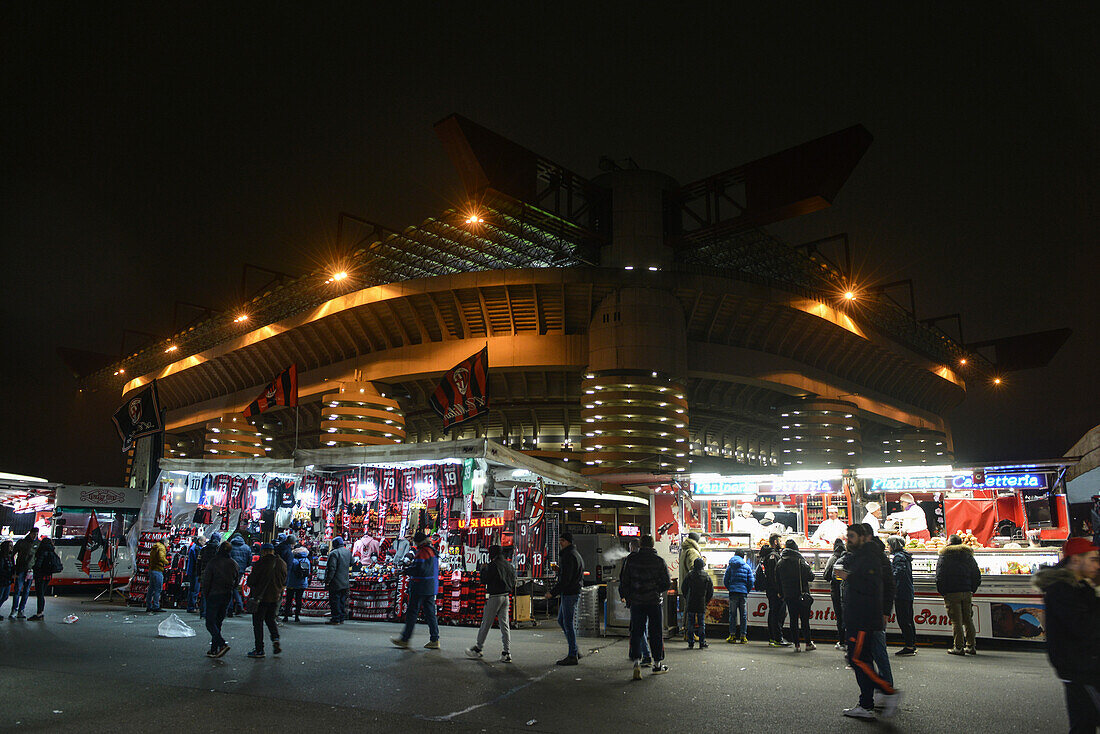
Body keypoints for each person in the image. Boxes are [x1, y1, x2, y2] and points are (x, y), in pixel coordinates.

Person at [1032, 537, 1100, 732]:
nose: (1097, 565)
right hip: (1080, 669)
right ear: (1077, 560)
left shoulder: (1081, 587)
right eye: (1093, 559)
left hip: (1085, 667)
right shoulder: (1062, 591)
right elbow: (1084, 627)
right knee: (1084, 722)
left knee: (1083, 724)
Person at [837, 523, 901, 721]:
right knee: (859, 658)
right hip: (860, 616)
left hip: (863, 617)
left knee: (858, 659)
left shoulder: (870, 556)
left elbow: (873, 585)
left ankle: (886, 692)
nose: (849, 540)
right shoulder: (864, 555)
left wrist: (848, 576)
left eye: (852, 536)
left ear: (864, 537)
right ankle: (867, 702)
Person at [620, 534, 671, 677]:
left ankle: (637, 663)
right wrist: (655, 590)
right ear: (653, 545)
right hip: (653, 602)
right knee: (656, 632)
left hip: (636, 602)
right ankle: (657, 664)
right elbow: (667, 582)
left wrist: (629, 596)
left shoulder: (631, 560)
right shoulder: (659, 561)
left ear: (640, 545)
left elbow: (624, 581)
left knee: (636, 632)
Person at [466, 544, 516, 662]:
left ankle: (478, 648)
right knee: (505, 625)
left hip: (495, 596)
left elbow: (484, 580)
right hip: (506, 596)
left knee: (486, 623)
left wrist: (483, 569)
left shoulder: (493, 565)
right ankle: (506, 652)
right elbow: (513, 580)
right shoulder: (508, 564)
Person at [392, 531, 440, 649]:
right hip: (430, 586)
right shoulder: (432, 550)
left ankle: (405, 639)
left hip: (420, 586)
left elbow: (419, 568)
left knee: (412, 612)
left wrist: (406, 571)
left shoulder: (422, 551)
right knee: (430, 614)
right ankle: (435, 639)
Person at [936, 534, 981, 655]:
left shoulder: (944, 556)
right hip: (966, 592)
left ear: (949, 543)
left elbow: (940, 575)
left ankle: (958, 647)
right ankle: (971, 646)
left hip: (951, 592)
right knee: (968, 619)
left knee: (956, 621)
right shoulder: (968, 555)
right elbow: (976, 574)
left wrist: (942, 591)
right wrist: (972, 589)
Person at [544, 531, 585, 665]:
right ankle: (574, 649)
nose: (560, 543)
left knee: (567, 623)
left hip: (569, 593)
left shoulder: (569, 556)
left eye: (562, 540)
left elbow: (566, 579)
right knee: (562, 620)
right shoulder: (575, 554)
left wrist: (553, 592)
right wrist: (560, 570)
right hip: (572, 592)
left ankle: (573, 654)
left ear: (568, 542)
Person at [246, 542, 288, 658]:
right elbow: (284, 579)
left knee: (258, 623)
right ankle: (275, 638)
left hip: (261, 598)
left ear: (263, 551)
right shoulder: (282, 563)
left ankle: (259, 649)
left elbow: (252, 581)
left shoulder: (261, 563)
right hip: (275, 597)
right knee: (270, 619)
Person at [201, 541, 239, 658]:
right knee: (218, 621)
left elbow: (207, 580)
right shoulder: (233, 564)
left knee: (210, 622)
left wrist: (205, 594)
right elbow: (236, 581)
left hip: (214, 594)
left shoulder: (213, 562)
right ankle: (214, 649)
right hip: (227, 594)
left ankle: (221, 644)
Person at [776, 538, 815, 651]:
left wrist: (781, 593)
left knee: (793, 620)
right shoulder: (800, 561)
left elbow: (777, 580)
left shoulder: (780, 563)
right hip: (802, 595)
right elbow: (811, 577)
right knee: (804, 620)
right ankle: (808, 644)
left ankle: (797, 645)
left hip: (789, 596)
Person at [888, 536, 916, 655]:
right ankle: (912, 644)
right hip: (908, 591)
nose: (888, 547)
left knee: (903, 619)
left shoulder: (898, 557)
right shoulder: (905, 556)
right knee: (909, 619)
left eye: (889, 545)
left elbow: (898, 572)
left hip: (901, 592)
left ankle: (909, 646)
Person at [759, 543, 789, 647]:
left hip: (771, 590)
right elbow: (774, 576)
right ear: (776, 542)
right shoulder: (773, 557)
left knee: (773, 613)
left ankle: (773, 637)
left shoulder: (768, 556)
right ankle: (778, 638)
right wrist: (779, 590)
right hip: (775, 591)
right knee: (778, 613)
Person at [682, 557, 714, 649]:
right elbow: (710, 591)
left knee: (690, 623)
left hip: (691, 601)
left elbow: (684, 588)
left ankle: (691, 642)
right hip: (701, 602)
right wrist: (706, 601)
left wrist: (687, 597)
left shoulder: (689, 575)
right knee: (701, 623)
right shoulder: (706, 576)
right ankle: (701, 642)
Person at [723, 550, 753, 643]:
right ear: (743, 557)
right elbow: (751, 581)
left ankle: (732, 636)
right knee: (743, 615)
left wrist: (730, 588)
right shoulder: (747, 567)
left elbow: (725, 579)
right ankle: (743, 636)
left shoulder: (731, 566)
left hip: (733, 593)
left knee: (732, 615)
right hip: (743, 593)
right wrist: (746, 590)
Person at [28, 536, 58, 621]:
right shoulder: (52, 551)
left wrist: (34, 569)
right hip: (48, 576)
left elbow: (38, 564)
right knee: (42, 594)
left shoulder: (42, 551)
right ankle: (40, 612)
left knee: (40, 595)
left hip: (41, 576)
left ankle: (39, 613)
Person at [678, 532, 702, 638]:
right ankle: (689, 633)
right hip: (692, 586)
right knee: (691, 611)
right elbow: (694, 568)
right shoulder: (692, 551)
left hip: (685, 584)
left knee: (687, 609)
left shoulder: (685, 550)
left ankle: (687, 632)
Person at [824, 538, 846, 649]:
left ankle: (841, 641)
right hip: (847, 593)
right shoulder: (848, 558)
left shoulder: (833, 558)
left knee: (839, 617)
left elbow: (826, 575)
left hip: (836, 592)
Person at [10, 529, 38, 619]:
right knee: (18, 589)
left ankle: (21, 610)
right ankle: (15, 609)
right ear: (30, 534)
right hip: (21, 569)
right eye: (34, 534)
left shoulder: (37, 543)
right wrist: (14, 567)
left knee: (26, 590)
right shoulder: (22, 542)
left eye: (36, 534)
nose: (35, 536)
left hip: (30, 570)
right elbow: (13, 554)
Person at [325, 537, 352, 624]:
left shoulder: (334, 553)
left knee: (335, 600)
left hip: (335, 581)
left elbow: (332, 568)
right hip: (345, 581)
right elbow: (352, 562)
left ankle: (335, 619)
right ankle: (341, 618)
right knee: (342, 601)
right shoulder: (347, 552)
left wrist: (328, 580)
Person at [196, 531, 222, 619]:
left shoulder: (204, 549)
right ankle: (212, 613)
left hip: (205, 572)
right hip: (216, 574)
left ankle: (203, 613)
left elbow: (199, 563)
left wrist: (199, 575)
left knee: (204, 593)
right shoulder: (219, 549)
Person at [282, 546, 310, 623]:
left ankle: (286, 616)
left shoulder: (292, 560)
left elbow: (288, 571)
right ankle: (297, 617)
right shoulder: (306, 560)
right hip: (302, 583)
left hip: (291, 583)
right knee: (299, 599)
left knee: (289, 600)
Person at [227, 533, 252, 616]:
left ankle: (231, 609)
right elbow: (250, 561)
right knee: (234, 588)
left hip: (230, 569)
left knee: (230, 588)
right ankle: (239, 605)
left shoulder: (229, 546)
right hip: (240, 571)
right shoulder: (247, 547)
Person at [146, 536, 168, 613]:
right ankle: (156, 606)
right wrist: (167, 562)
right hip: (158, 570)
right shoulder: (161, 548)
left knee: (151, 589)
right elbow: (161, 557)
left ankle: (148, 606)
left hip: (152, 569)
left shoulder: (155, 546)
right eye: (167, 543)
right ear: (164, 542)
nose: (168, 545)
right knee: (158, 589)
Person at [184, 535, 205, 613]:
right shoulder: (196, 549)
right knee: (194, 590)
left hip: (192, 571)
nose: (204, 543)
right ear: (199, 541)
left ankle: (191, 606)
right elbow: (198, 561)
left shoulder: (193, 547)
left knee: (192, 589)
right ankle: (191, 607)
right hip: (195, 571)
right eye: (204, 541)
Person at [0, 540, 14, 614]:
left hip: (7, 580)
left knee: (5, 596)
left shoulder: (10, 556)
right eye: (10, 546)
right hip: (2, 580)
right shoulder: (2, 556)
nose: (12, 547)